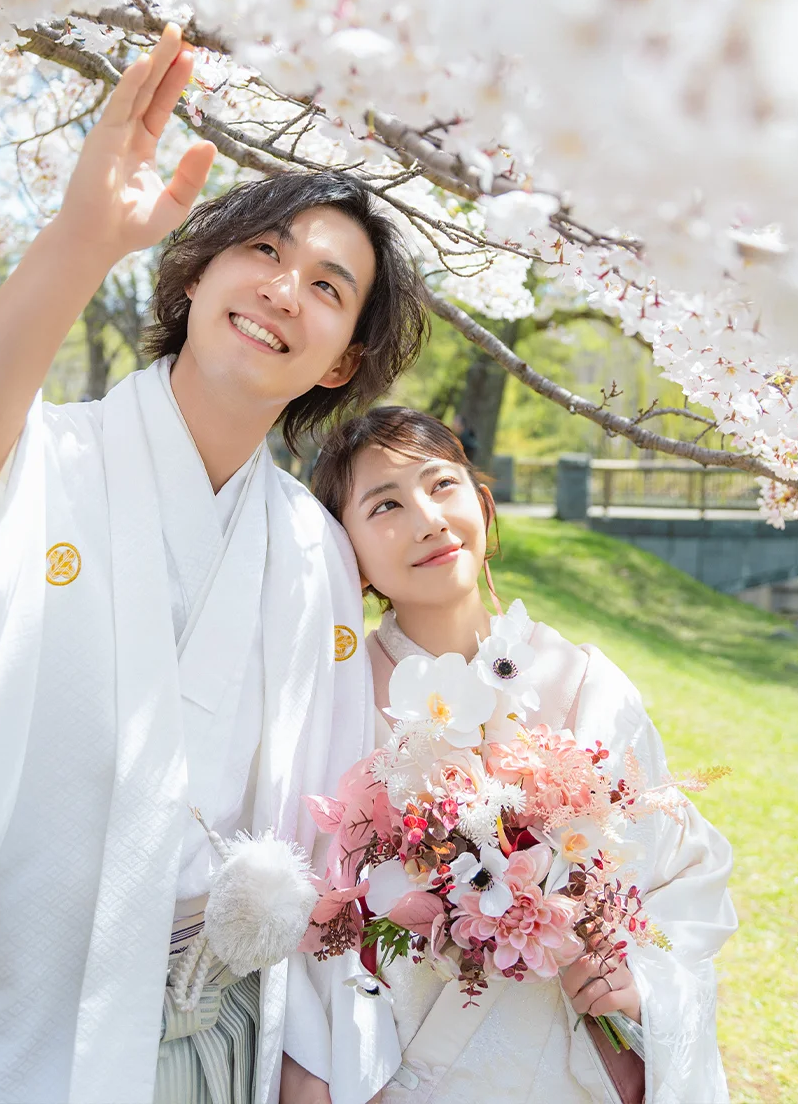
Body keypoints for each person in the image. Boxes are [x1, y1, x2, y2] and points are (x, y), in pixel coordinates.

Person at [0, 26, 429, 1104]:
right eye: (262, 252)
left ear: (345, 354)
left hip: (201, 1038)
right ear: (195, 270)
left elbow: (332, 812)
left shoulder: (309, 546)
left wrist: (321, 1059)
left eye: (326, 284)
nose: (280, 290)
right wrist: (82, 241)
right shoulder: (38, 454)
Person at [312, 407, 737, 1104]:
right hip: (412, 1069)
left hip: (574, 1070)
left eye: (441, 484)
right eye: (385, 504)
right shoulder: (342, 698)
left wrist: (638, 979)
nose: (427, 519)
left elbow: (684, 872)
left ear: (482, 503)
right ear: (348, 556)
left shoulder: (589, 682)